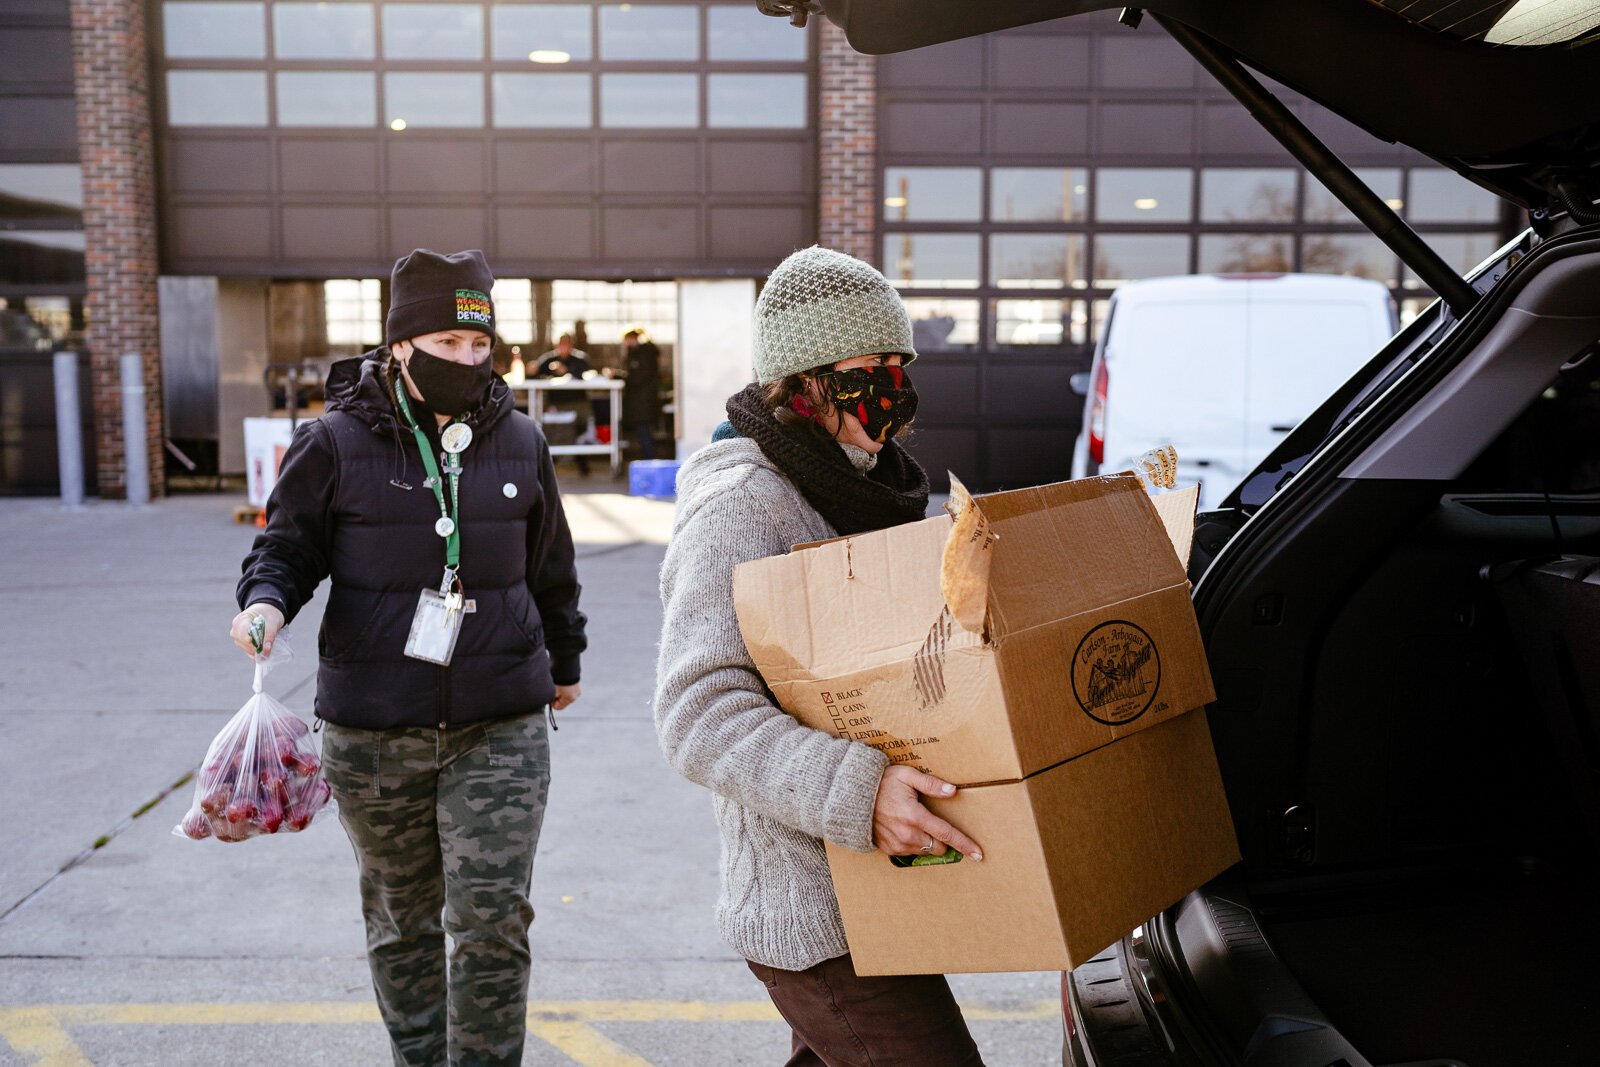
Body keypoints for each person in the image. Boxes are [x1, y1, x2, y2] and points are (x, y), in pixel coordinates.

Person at [230, 248, 587, 1067]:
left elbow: (551, 568)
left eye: (479, 346)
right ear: (398, 345)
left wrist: (564, 662)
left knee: (493, 918)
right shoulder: (332, 441)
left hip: (499, 719)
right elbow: (284, 548)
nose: (467, 360)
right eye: (446, 343)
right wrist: (265, 604)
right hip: (374, 727)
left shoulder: (520, 440)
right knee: (401, 920)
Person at [654, 246, 985, 1066]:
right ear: (802, 384)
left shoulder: (865, 484)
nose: (891, 389)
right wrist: (861, 789)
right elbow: (698, 712)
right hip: (815, 910)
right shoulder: (745, 503)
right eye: (867, 368)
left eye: (898, 365)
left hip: (880, 885)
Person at [620, 326, 661, 461]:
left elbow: (637, 377)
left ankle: (649, 461)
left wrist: (621, 377)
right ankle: (648, 460)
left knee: (645, 433)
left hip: (642, 403)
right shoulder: (643, 354)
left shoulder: (642, 355)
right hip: (643, 403)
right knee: (644, 433)